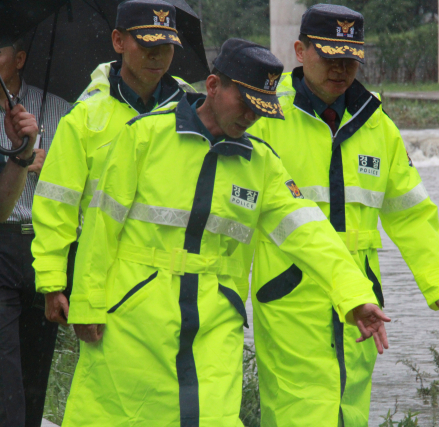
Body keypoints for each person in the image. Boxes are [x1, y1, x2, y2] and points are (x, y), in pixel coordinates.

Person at [62, 38, 389, 426]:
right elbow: (102, 225)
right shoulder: (144, 137)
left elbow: (309, 233)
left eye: (262, 109)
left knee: (214, 416)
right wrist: (86, 302)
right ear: (214, 86)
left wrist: (354, 295)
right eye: (246, 104)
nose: (252, 116)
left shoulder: (261, 163)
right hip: (135, 318)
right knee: (122, 415)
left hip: (216, 322)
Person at [247, 4, 439, 426]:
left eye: (349, 58)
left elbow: (412, 213)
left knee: (350, 410)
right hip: (292, 298)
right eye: (329, 56)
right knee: (300, 413)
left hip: (363, 305)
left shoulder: (377, 125)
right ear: (299, 51)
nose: (340, 68)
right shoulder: (267, 117)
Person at [31, 0, 192, 328]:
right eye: (147, 44)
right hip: (105, 283)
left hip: (179, 284)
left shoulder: (192, 113)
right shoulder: (85, 118)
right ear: (118, 41)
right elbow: (56, 205)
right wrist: (52, 283)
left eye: (166, 46)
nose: (157, 55)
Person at [0, 35, 70, 427]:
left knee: (35, 371)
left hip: (43, 244)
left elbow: (82, 185)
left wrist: (52, 168)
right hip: (2, 241)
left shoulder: (59, 110)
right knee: (4, 370)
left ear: (21, 58)